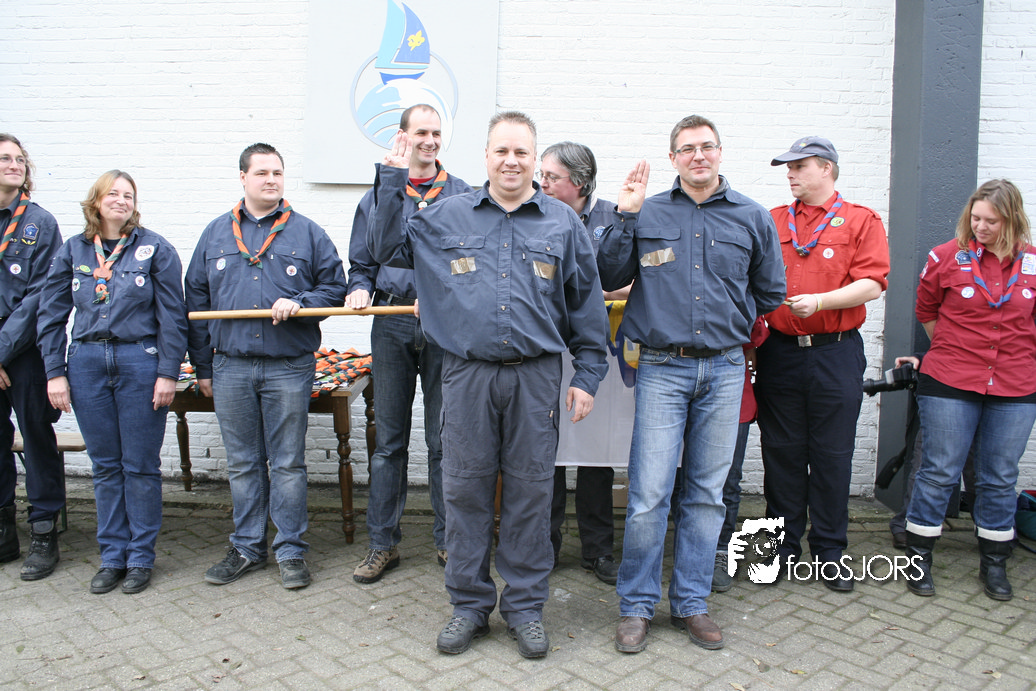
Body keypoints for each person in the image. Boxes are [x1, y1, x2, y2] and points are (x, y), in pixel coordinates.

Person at [367, 112, 608, 659]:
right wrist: (391, 179)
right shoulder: (444, 216)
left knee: (530, 494)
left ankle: (524, 608)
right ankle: (470, 606)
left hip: (535, 377)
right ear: (486, 156)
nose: (511, 161)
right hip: (466, 375)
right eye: (502, 150)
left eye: (522, 152)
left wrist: (588, 374)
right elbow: (385, 250)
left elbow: (586, 306)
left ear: (534, 160)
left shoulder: (562, 224)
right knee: (465, 491)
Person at [598, 115, 786, 654]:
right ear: (674, 158)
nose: (697, 155)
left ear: (720, 152)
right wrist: (625, 215)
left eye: (706, 146)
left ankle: (691, 602)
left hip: (724, 368)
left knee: (706, 494)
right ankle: (637, 607)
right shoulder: (648, 212)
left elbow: (770, 291)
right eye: (687, 149)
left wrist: (729, 318)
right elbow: (608, 275)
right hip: (662, 366)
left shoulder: (752, 216)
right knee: (648, 495)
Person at [185, 143, 348, 590]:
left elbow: (335, 287)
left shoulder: (308, 233)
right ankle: (246, 547)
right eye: (261, 173)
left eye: (277, 172)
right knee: (243, 463)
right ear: (243, 177)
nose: (271, 179)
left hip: (288, 366)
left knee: (288, 464)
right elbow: (195, 300)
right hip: (231, 367)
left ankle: (291, 551)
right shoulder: (215, 234)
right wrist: (203, 368)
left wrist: (301, 302)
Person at [38, 170, 187, 594]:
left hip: (139, 361)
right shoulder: (73, 250)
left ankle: (140, 557)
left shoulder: (155, 248)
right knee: (105, 466)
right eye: (113, 194)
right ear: (96, 201)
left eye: (128, 195)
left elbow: (172, 317)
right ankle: (112, 556)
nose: (121, 200)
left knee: (140, 465)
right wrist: (55, 372)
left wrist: (168, 372)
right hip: (86, 363)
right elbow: (51, 315)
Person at [755, 136, 889, 592]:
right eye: (788, 168)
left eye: (800, 166)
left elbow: (872, 283)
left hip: (835, 351)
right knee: (781, 452)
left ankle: (830, 551)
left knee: (832, 454)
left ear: (827, 168)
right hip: (779, 352)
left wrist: (822, 301)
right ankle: (781, 548)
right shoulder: (772, 219)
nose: (790, 174)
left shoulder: (861, 220)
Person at [346, 105, 472, 583]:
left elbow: (471, 263)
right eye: (421, 131)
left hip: (445, 328)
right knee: (389, 443)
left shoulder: (462, 195)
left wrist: (441, 292)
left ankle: (449, 542)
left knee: (444, 440)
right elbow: (363, 260)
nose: (430, 140)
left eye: (437, 132)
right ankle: (382, 545)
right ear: (402, 136)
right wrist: (360, 287)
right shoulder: (381, 192)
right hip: (392, 322)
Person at [904, 179, 1036, 602]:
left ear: (1012, 220)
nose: (980, 226)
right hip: (950, 380)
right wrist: (955, 350)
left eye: (991, 221)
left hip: (1015, 384)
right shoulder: (945, 256)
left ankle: (994, 562)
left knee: (999, 476)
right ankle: (918, 557)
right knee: (939, 470)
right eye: (975, 218)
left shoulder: (1032, 263)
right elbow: (926, 309)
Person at [539, 141, 625, 585]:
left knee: (596, 452)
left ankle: (598, 550)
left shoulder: (615, 217)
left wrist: (601, 292)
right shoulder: (534, 212)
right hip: (546, 348)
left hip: (598, 348)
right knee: (546, 449)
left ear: (579, 182)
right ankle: (546, 546)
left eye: (551, 177)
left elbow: (640, 277)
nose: (542, 184)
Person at [0, 134, 64, 581]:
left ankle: (44, 532)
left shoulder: (39, 223)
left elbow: (40, 297)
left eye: (20, 159)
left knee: (36, 436)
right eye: (4, 158)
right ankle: (4, 529)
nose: (14, 164)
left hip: (24, 350)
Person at [711, 316, 768, 592]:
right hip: (679, 384)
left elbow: (755, 330)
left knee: (728, 481)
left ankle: (720, 550)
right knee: (682, 479)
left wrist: (751, 348)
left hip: (732, 387)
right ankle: (688, 550)